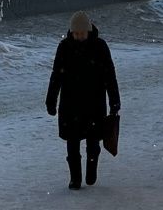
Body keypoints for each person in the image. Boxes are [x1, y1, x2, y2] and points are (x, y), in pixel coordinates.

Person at [46, 11, 121, 190]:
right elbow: (56, 75)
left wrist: (114, 101)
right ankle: (75, 178)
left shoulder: (100, 47)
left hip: (94, 102)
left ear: (88, 30)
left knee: (93, 141)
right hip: (70, 104)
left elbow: (110, 75)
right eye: (75, 33)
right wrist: (51, 100)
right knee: (72, 143)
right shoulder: (64, 47)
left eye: (82, 33)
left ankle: (91, 171)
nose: (78, 36)